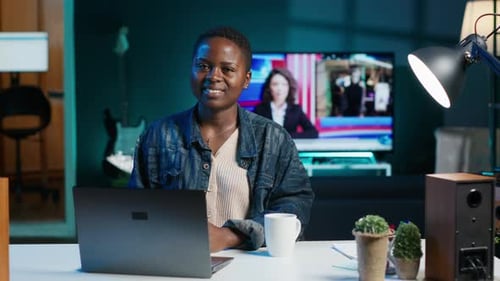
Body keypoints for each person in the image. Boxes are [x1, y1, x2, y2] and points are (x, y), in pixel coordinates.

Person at [128, 26, 314, 253]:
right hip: (176, 262)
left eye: (227, 69)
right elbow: (135, 211)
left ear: (246, 79)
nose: (213, 76)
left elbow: (294, 206)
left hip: (254, 266)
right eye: (203, 66)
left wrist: (230, 236)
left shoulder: (274, 138)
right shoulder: (157, 135)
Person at [253, 68, 319, 139]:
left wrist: (287, 137)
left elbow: (313, 132)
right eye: (275, 84)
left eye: (284, 84)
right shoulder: (260, 109)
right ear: (269, 88)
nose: (279, 88)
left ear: (289, 87)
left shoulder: (296, 110)